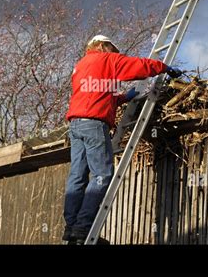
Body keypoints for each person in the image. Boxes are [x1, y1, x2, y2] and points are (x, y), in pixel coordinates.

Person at [63, 35, 182, 244]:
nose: (116, 53)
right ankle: (83, 228)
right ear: (101, 46)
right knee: (102, 175)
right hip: (94, 124)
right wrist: (164, 67)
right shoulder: (106, 59)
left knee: (77, 176)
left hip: (76, 125)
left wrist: (122, 99)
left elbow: (94, 94)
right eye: (112, 48)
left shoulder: (81, 65)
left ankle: (71, 227)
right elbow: (138, 66)